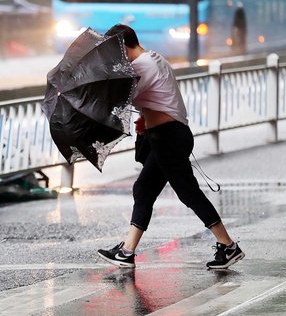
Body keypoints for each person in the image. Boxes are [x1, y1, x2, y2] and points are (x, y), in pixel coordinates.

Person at [97, 24, 244, 270]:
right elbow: (156, 98)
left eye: (114, 51)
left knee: (188, 193)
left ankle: (228, 246)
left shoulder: (142, 66)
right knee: (143, 189)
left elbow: (119, 99)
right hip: (167, 136)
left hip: (169, 138)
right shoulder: (154, 57)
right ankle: (127, 251)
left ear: (123, 46)